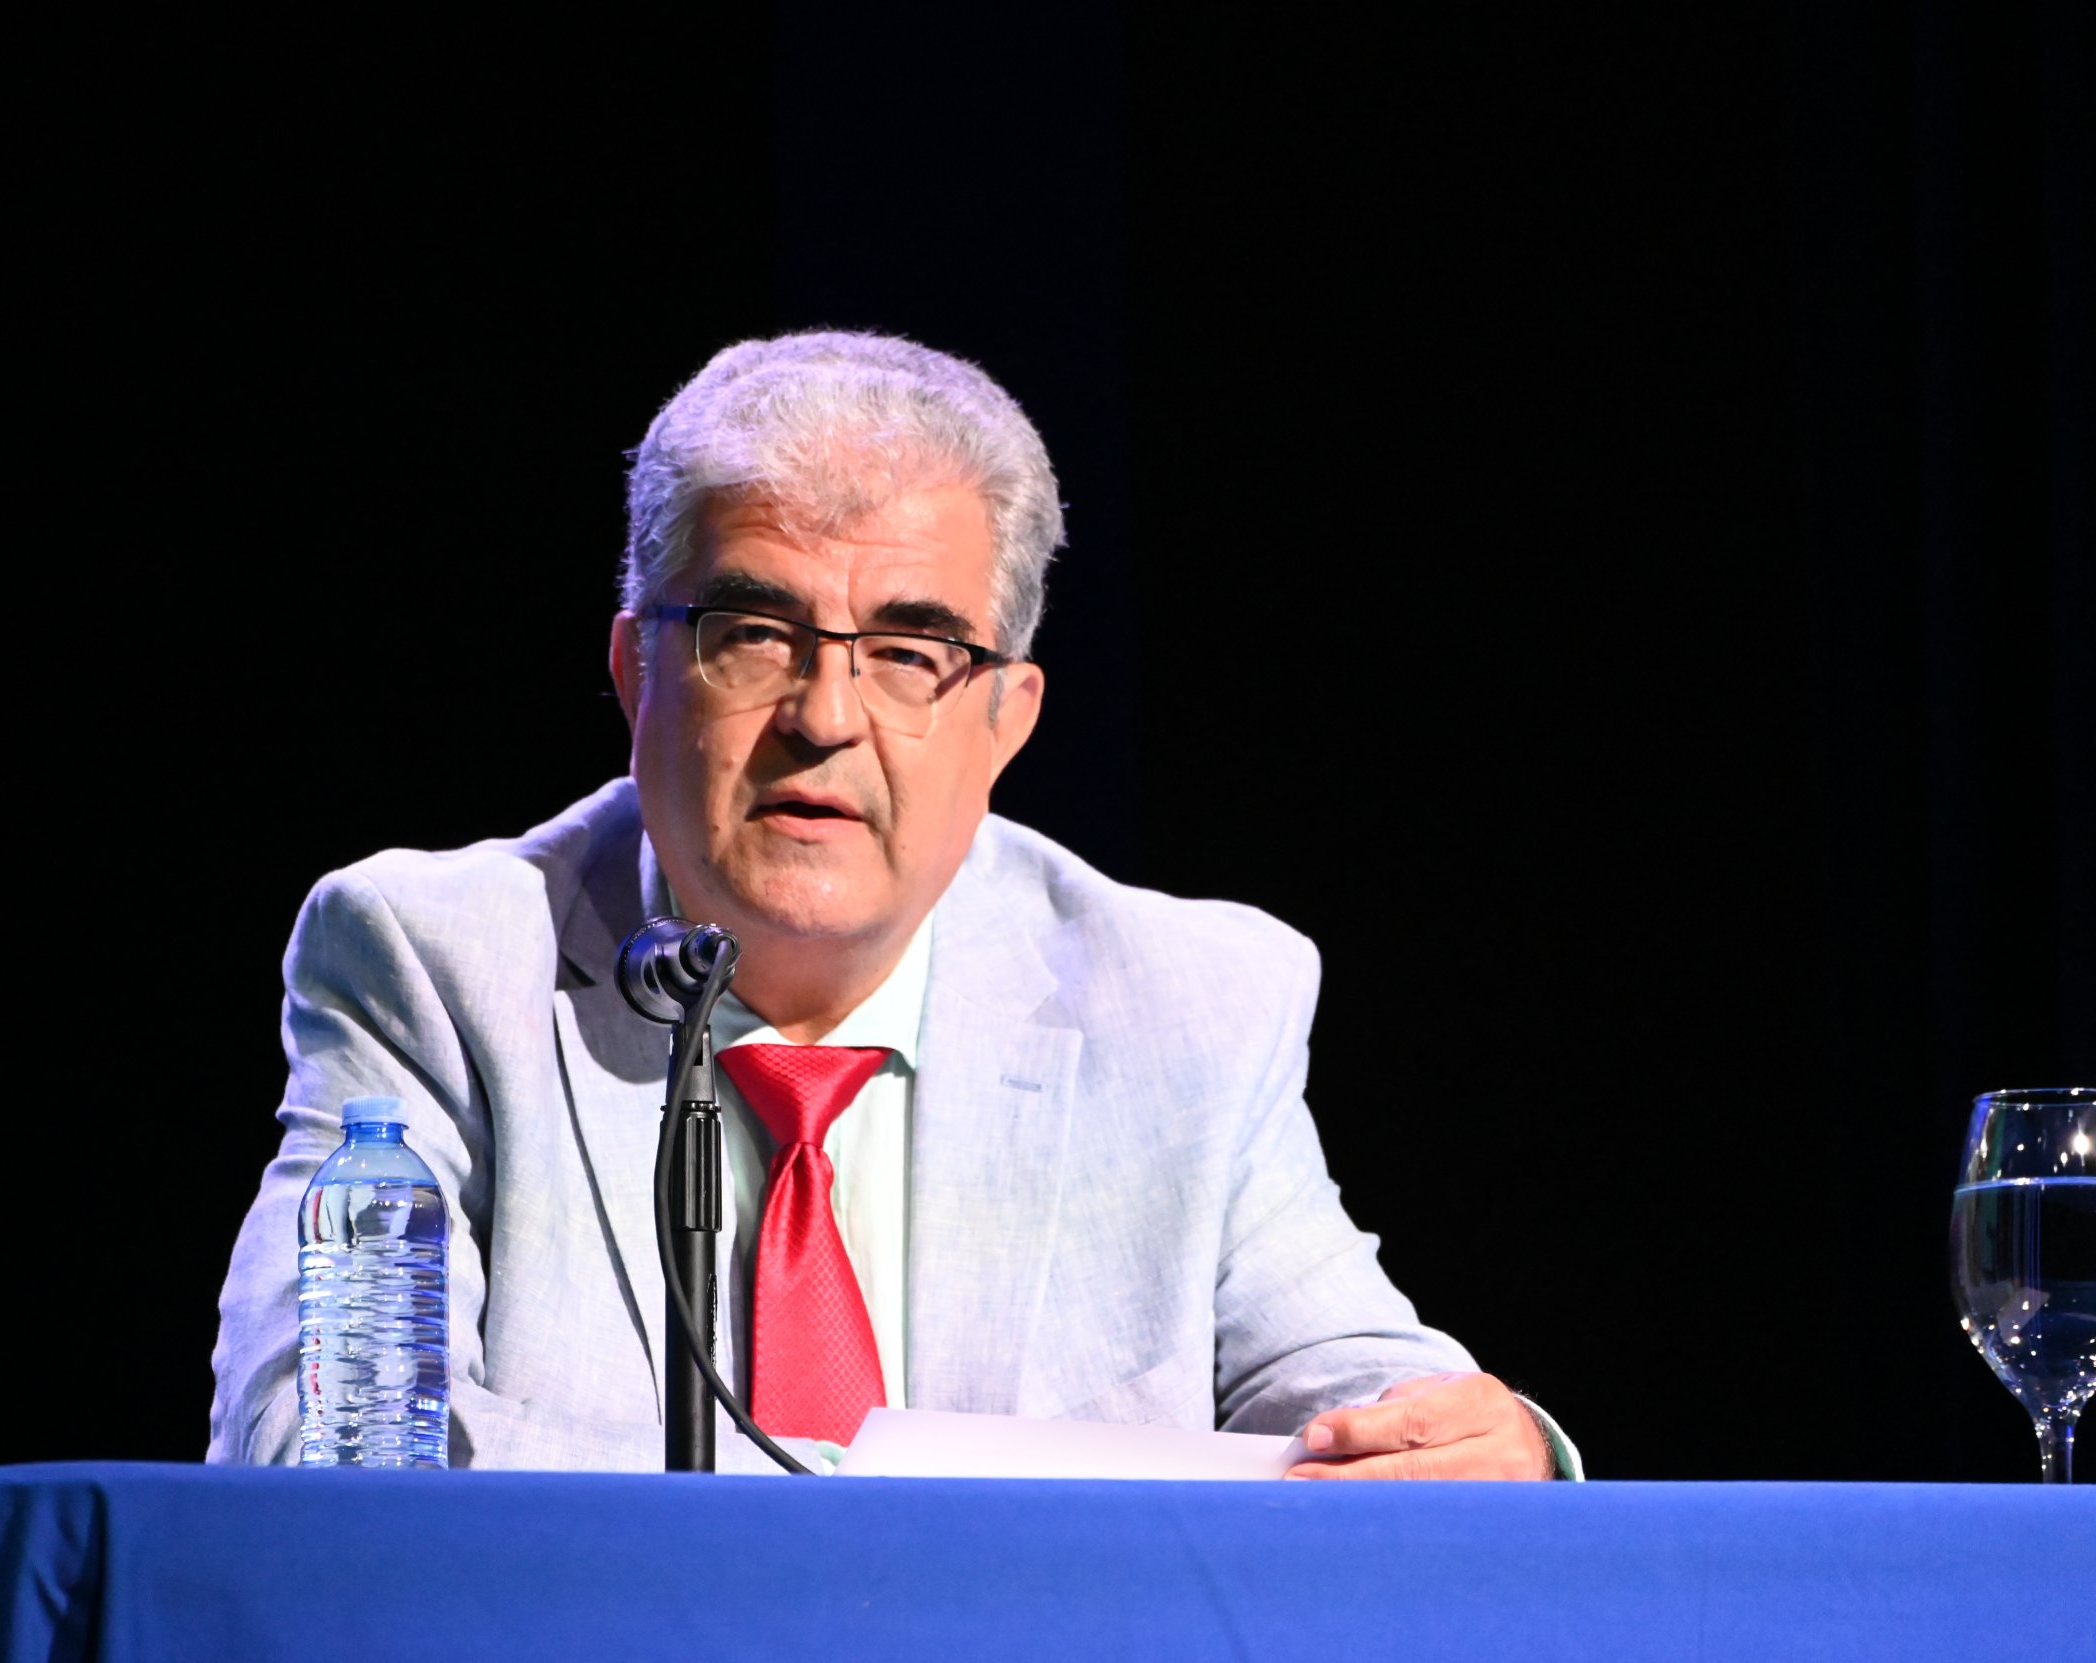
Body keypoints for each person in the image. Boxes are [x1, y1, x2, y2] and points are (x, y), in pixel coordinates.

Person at [208, 331, 1572, 1479]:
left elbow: (1355, 1398)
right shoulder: (437, 966)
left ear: (1007, 719)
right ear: (635, 673)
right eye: (755, 635)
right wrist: (884, 1517)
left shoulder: (1188, 1004)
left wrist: (1478, 1442)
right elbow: (314, 1447)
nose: (826, 717)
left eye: (912, 652)